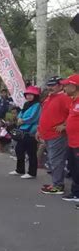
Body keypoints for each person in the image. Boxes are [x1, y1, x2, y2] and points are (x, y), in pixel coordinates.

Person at [37, 76, 72, 195]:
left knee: (56, 160)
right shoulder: (50, 97)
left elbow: (73, 113)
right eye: (49, 85)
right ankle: (56, 183)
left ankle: (58, 185)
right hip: (47, 134)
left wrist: (65, 124)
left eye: (53, 85)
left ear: (60, 85)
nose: (50, 87)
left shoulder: (64, 97)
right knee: (52, 160)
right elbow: (44, 115)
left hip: (57, 135)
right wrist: (39, 130)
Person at [9, 86, 41, 179]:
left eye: (31, 95)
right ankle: (20, 169)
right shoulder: (26, 104)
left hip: (31, 131)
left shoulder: (37, 105)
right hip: (22, 130)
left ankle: (32, 172)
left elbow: (34, 117)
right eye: (27, 95)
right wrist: (19, 118)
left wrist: (22, 120)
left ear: (35, 96)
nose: (29, 96)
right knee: (19, 150)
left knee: (31, 153)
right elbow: (21, 113)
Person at [59, 74, 79, 204]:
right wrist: (65, 126)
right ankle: (75, 192)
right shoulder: (73, 102)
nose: (64, 87)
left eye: (67, 85)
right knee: (73, 167)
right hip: (72, 142)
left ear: (75, 86)